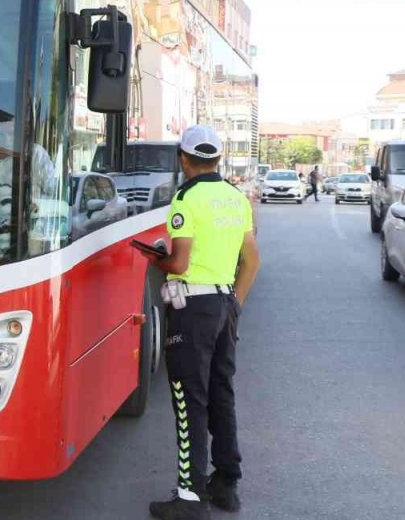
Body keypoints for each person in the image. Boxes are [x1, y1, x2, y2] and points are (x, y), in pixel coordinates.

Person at [149, 125, 261, 520]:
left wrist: (154, 258)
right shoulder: (236, 198)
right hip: (224, 304)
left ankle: (190, 497)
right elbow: (252, 260)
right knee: (221, 395)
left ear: (184, 159)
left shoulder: (186, 199)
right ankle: (226, 484)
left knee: (187, 400)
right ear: (217, 159)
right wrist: (235, 307)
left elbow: (178, 263)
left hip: (192, 310)